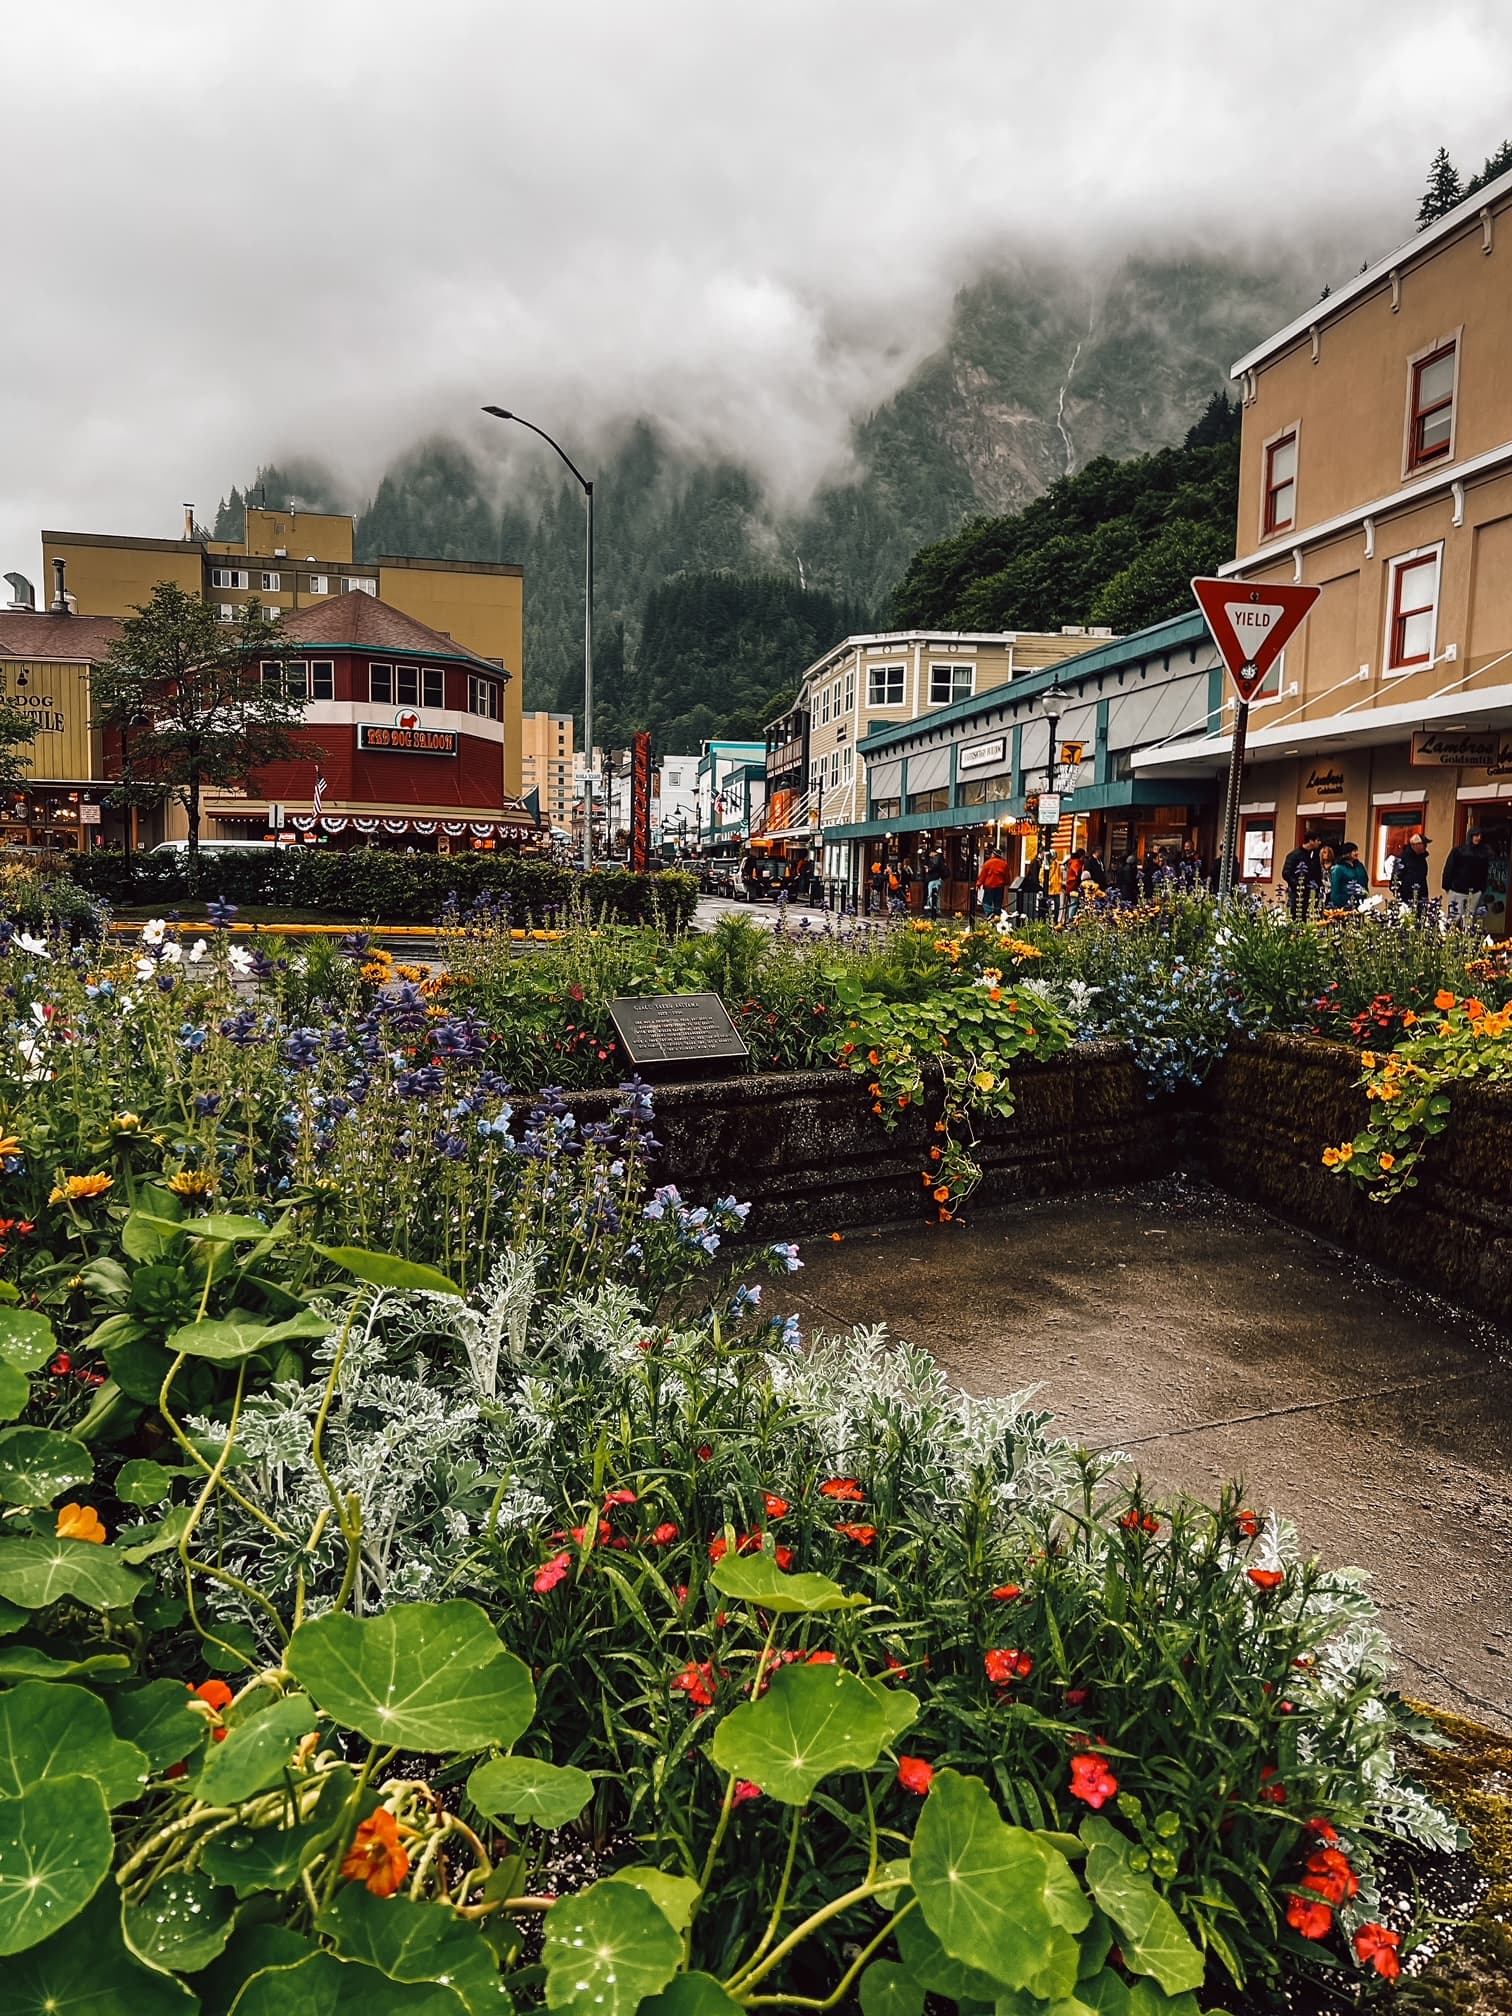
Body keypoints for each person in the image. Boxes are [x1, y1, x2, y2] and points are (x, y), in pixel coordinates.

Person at [1442, 826, 1492, 920]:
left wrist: (1481, 889)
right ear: (1471, 836)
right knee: (1454, 919)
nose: (1479, 838)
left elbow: (1484, 873)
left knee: (1468, 920)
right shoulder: (1458, 851)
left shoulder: (1483, 855)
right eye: (1476, 835)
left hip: (1474, 892)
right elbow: (1449, 869)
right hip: (1457, 890)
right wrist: (1447, 886)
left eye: (1480, 835)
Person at [1281, 833, 1324, 917]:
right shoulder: (1294, 855)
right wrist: (1297, 885)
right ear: (1311, 841)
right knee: (1297, 916)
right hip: (1297, 894)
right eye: (1317, 840)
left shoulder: (1314, 855)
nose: (1319, 843)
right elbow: (1286, 873)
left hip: (1311, 893)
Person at [1392, 832, 1430, 908]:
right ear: (1415, 845)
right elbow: (1395, 877)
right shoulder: (1403, 858)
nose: (1425, 847)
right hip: (1407, 897)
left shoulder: (1422, 858)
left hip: (1421, 898)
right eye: (1423, 844)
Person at [1329, 840, 1368, 909]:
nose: (1357, 853)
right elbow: (1335, 889)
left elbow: (1365, 881)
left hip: (1361, 902)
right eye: (1354, 851)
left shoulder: (1360, 866)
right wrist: (1339, 904)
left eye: (1357, 850)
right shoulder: (1338, 868)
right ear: (1347, 853)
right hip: (1345, 903)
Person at [977, 845, 1009, 918]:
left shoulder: (988, 863)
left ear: (993, 854)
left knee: (986, 902)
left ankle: (989, 914)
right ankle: (997, 916)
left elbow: (983, 875)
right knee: (998, 903)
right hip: (1000, 886)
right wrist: (1007, 883)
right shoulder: (1004, 864)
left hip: (989, 886)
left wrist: (978, 884)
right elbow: (1007, 876)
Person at [923, 843, 947, 920]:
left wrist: (928, 869)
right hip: (939, 880)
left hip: (934, 880)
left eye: (930, 853)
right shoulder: (940, 858)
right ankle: (937, 909)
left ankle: (934, 909)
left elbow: (935, 866)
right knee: (937, 895)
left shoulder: (937, 858)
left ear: (933, 852)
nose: (930, 855)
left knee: (931, 895)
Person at [1043, 850, 1064, 923]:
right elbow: (1041, 876)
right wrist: (1045, 882)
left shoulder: (1057, 864)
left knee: (1057, 907)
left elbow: (1059, 875)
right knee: (1049, 907)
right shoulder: (1046, 865)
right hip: (1049, 890)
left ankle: (1055, 922)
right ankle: (1049, 921)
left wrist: (1060, 882)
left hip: (1057, 889)